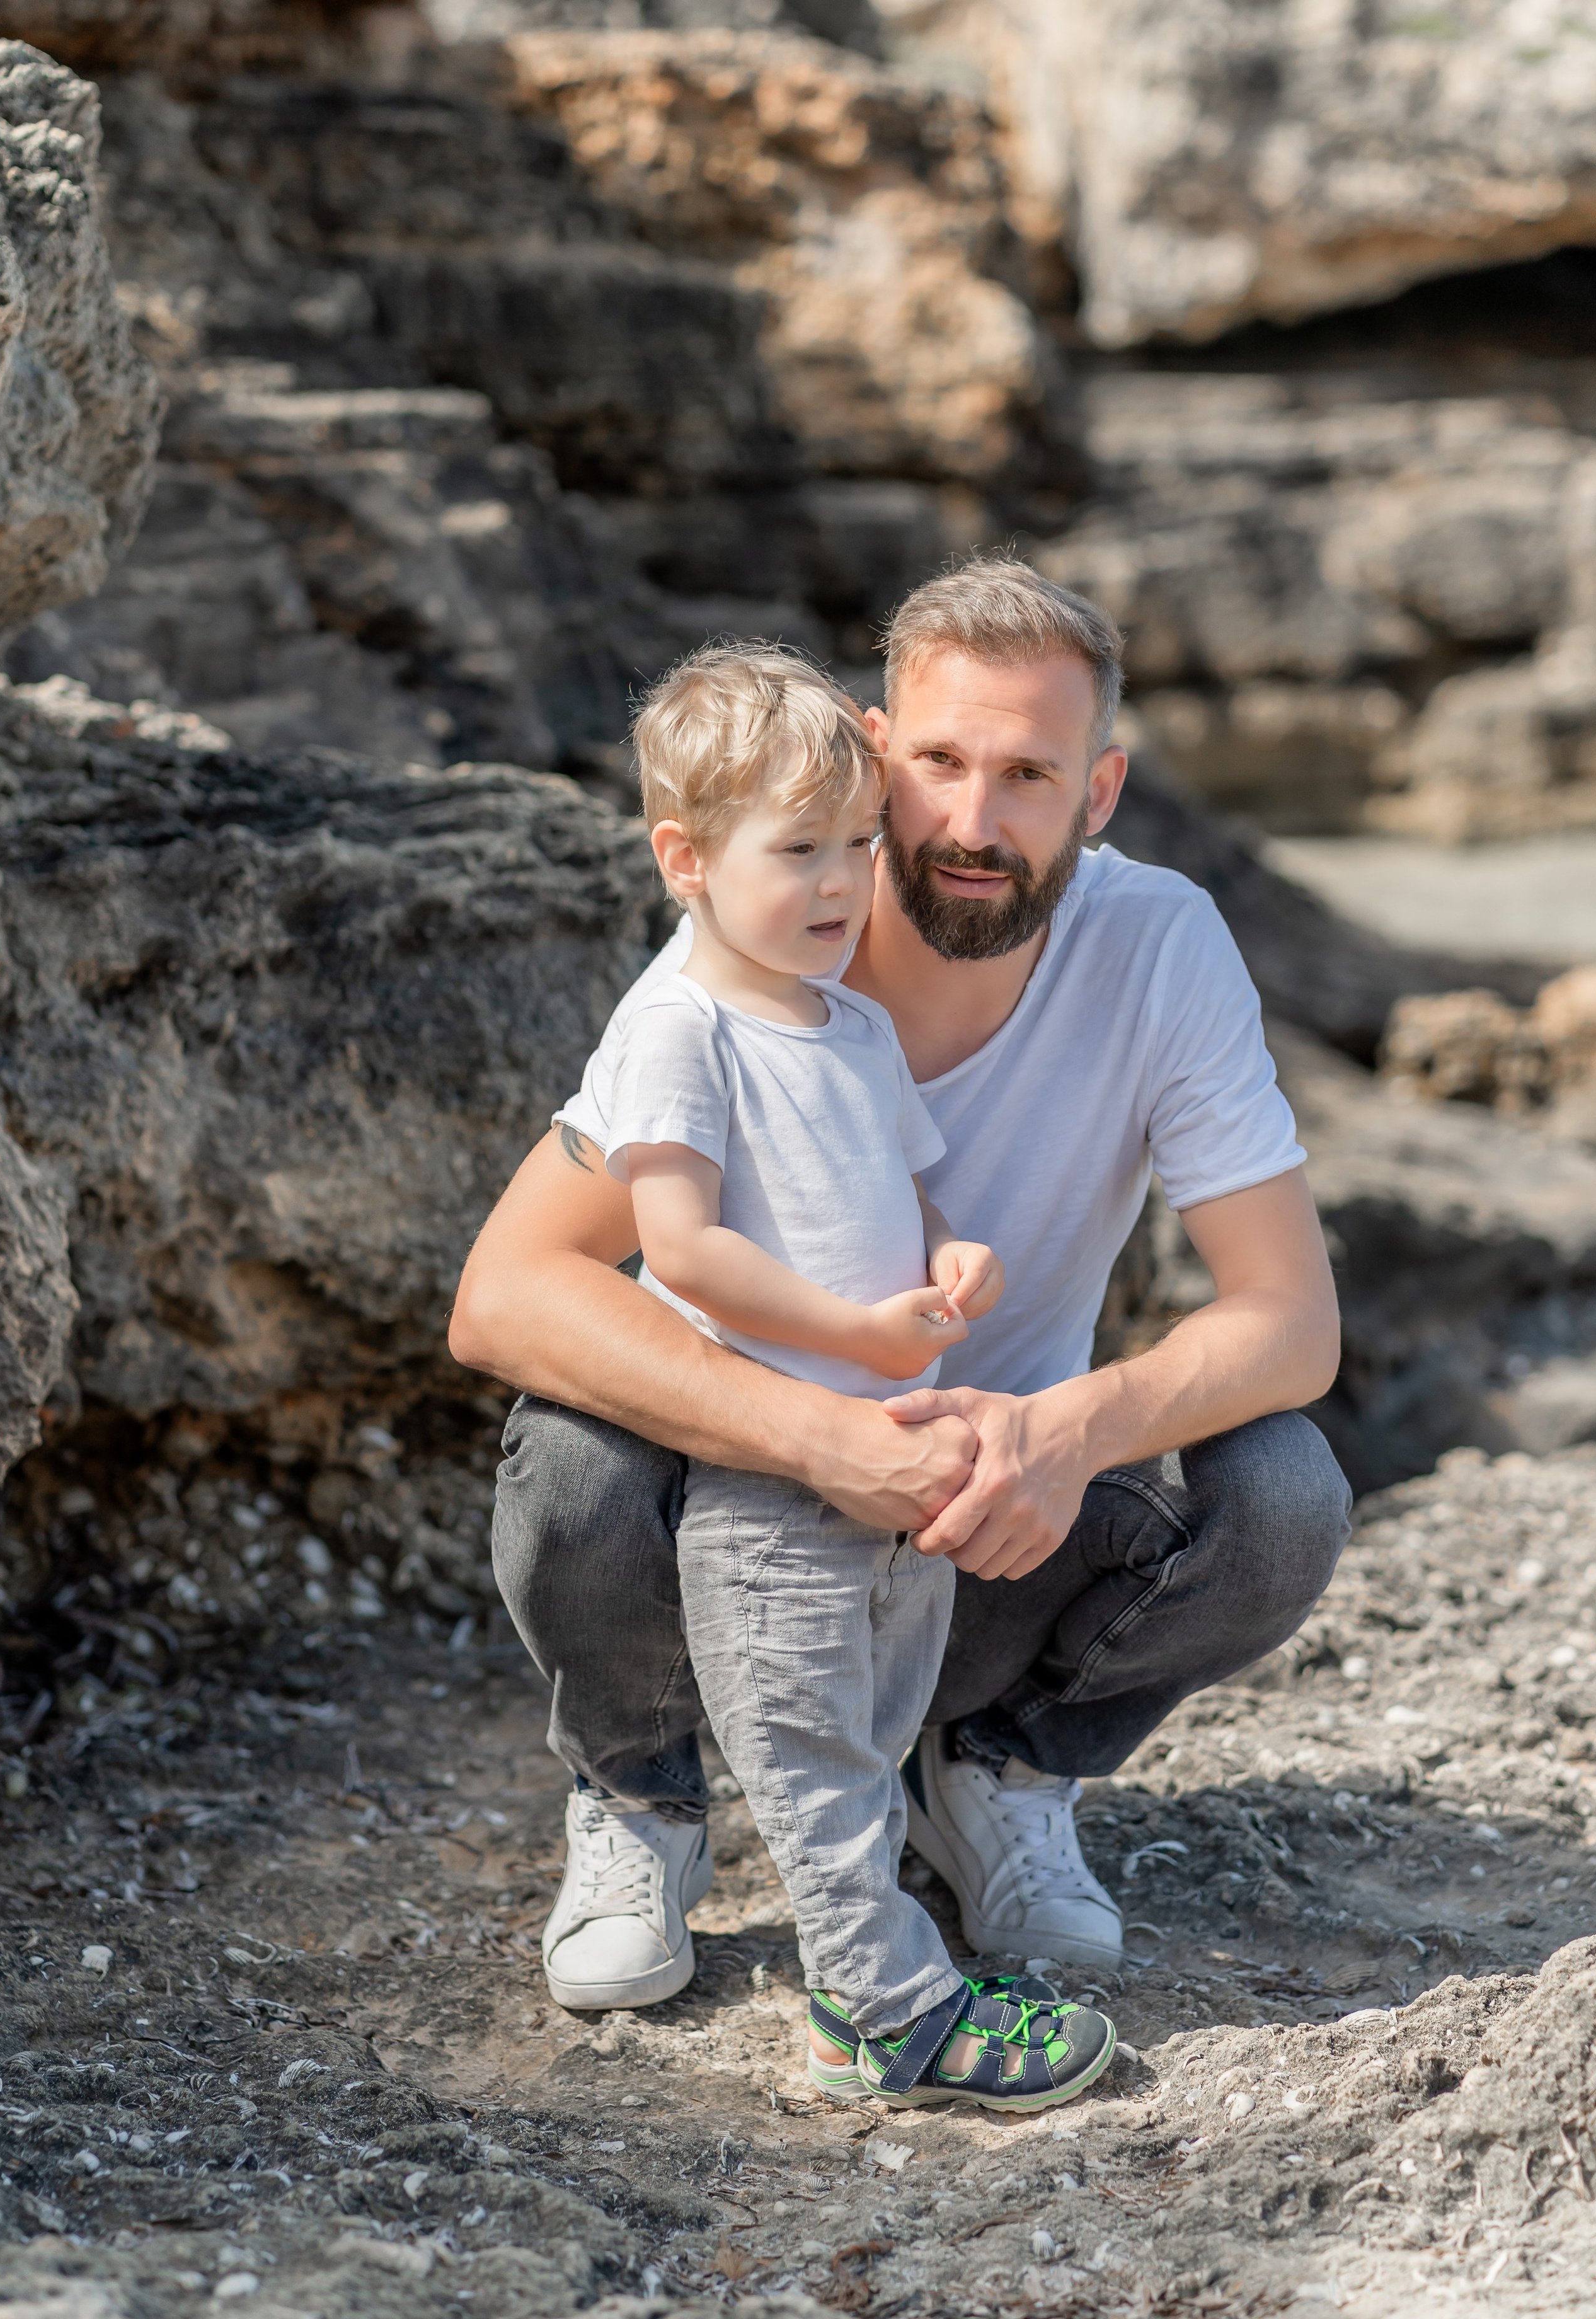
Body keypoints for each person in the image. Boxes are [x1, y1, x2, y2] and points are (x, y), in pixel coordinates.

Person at [450, 558, 1351, 2054]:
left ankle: (989, 1775)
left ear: (1100, 791)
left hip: (979, 1539)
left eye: (1026, 774)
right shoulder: (753, 949)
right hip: (738, 1551)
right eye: (935, 762)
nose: (969, 821)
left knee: (1281, 1489)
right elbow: (504, 1292)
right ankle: (643, 1799)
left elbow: (1292, 1324)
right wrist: (816, 1436)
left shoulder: (1161, 946)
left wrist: (1068, 1428)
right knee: (568, 1460)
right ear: (876, 750)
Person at [581, 641, 1115, 2110]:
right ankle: (897, 2014)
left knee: (874, 1730)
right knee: (807, 1747)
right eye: (798, 852)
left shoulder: (855, 1025)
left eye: (857, 847)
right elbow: (677, 1246)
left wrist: (952, 1270)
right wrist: (855, 1328)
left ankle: (845, 1999)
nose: (839, 884)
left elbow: (905, 1192)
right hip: (770, 1470)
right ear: (684, 859)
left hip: (892, 1461)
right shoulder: (679, 1030)